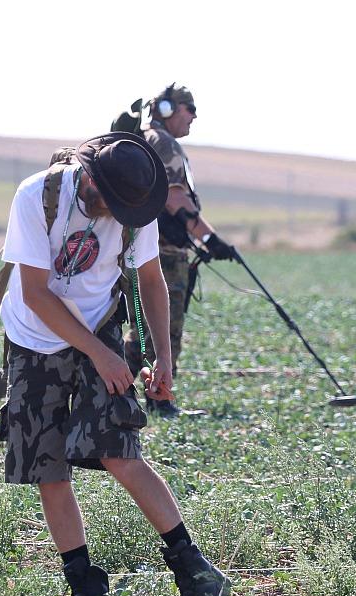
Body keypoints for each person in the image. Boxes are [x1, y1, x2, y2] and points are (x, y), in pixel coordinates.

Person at [0, 132, 229, 596]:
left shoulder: (135, 210)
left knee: (117, 451)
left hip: (99, 326)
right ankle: (87, 594)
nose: (123, 218)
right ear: (92, 182)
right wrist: (101, 354)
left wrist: (163, 356)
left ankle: (195, 572)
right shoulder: (37, 196)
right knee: (48, 468)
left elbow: (149, 278)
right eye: (115, 206)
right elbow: (36, 294)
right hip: (34, 337)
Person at [122, 84, 236, 418]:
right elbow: (175, 199)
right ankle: (158, 400)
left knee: (140, 328)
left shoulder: (141, 139)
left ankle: (111, 393)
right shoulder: (164, 143)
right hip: (162, 253)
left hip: (137, 249)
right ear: (169, 109)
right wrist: (210, 239)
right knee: (163, 329)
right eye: (190, 108)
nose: (195, 116)